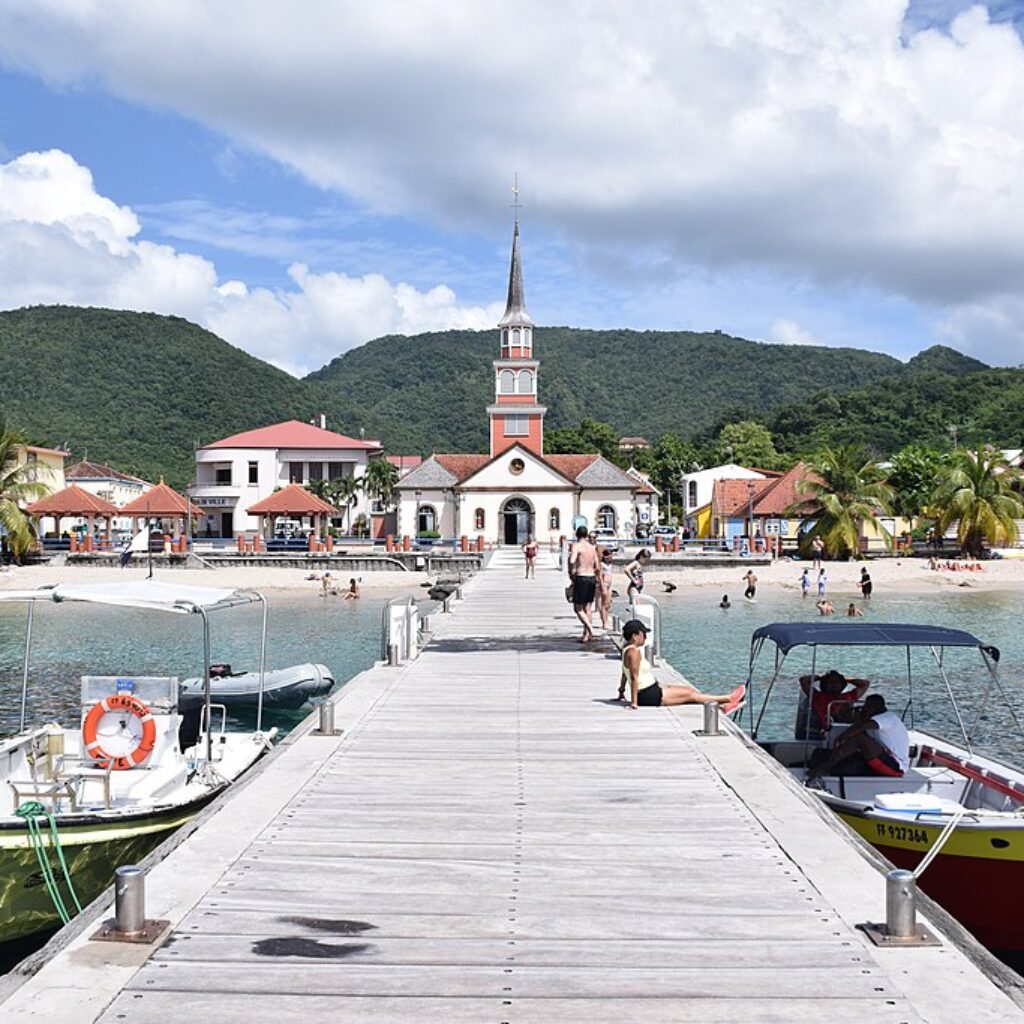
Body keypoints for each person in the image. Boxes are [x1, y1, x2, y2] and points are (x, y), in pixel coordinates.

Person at [618, 619, 745, 711]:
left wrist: (621, 691)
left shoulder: (626, 649)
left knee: (689, 691)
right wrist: (634, 702)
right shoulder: (634, 652)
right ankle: (728, 698)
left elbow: (625, 673)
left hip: (650, 691)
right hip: (648, 695)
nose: (645, 637)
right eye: (643, 634)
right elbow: (633, 677)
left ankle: (722, 707)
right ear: (635, 636)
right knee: (691, 695)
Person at [807, 694, 909, 779]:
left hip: (895, 766)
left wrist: (842, 737)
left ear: (875, 707)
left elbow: (862, 728)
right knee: (820, 753)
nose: (864, 709)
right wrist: (856, 718)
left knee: (859, 737)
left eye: (867, 707)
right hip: (881, 758)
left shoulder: (887, 718)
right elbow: (859, 728)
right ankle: (821, 766)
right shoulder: (875, 721)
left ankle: (825, 768)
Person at [797, 668, 870, 737]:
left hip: (849, 727)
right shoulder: (817, 696)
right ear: (824, 685)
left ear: (842, 685)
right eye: (830, 682)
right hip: (830, 729)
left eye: (836, 682)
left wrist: (846, 679)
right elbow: (803, 680)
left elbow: (865, 684)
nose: (834, 685)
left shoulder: (848, 696)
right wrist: (819, 677)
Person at [569, 525, 599, 643]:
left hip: (581, 577)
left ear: (577, 535)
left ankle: (591, 630)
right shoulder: (592, 547)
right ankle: (586, 635)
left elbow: (572, 560)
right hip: (591, 577)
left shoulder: (577, 546)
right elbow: (597, 565)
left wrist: (573, 569)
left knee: (578, 608)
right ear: (586, 535)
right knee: (588, 608)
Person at [596, 548, 614, 631]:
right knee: (604, 604)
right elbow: (599, 575)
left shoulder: (610, 564)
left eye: (610, 555)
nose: (609, 557)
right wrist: (602, 585)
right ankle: (604, 622)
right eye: (607, 555)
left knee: (608, 604)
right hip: (604, 584)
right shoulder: (601, 564)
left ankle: (606, 619)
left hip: (609, 584)